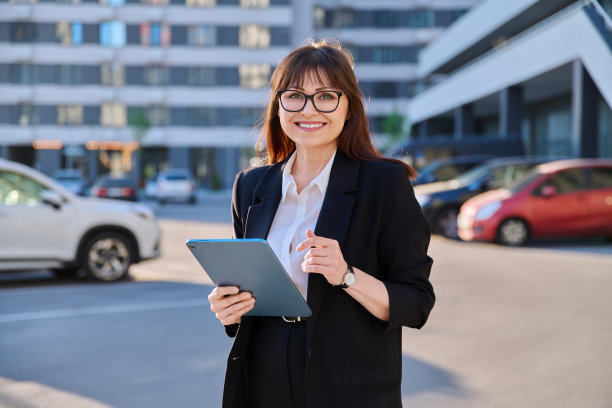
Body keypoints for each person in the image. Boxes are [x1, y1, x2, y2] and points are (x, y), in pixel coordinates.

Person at [208, 39, 435, 408]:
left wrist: (347, 275)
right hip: (264, 376)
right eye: (294, 95)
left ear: (349, 107)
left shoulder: (383, 184)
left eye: (326, 95)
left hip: (345, 384)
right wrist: (230, 307)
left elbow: (417, 303)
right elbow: (249, 289)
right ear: (278, 105)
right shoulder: (250, 186)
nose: (309, 109)